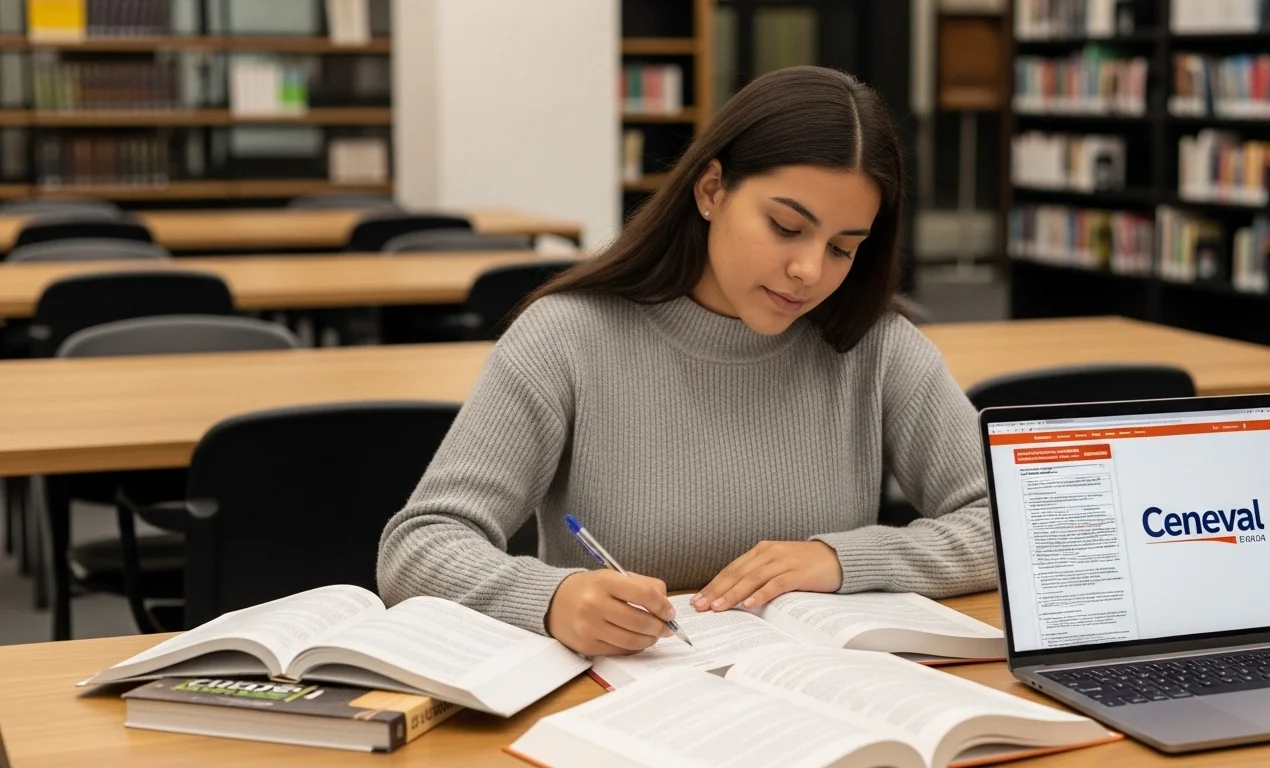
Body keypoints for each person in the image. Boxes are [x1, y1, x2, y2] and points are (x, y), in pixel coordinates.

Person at [377, 65, 996, 658]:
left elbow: (1016, 527)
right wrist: (550, 597)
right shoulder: (567, 337)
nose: (809, 271)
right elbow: (419, 546)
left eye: (842, 248)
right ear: (711, 190)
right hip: (622, 703)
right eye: (785, 227)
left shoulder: (875, 346)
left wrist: (846, 560)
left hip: (811, 692)